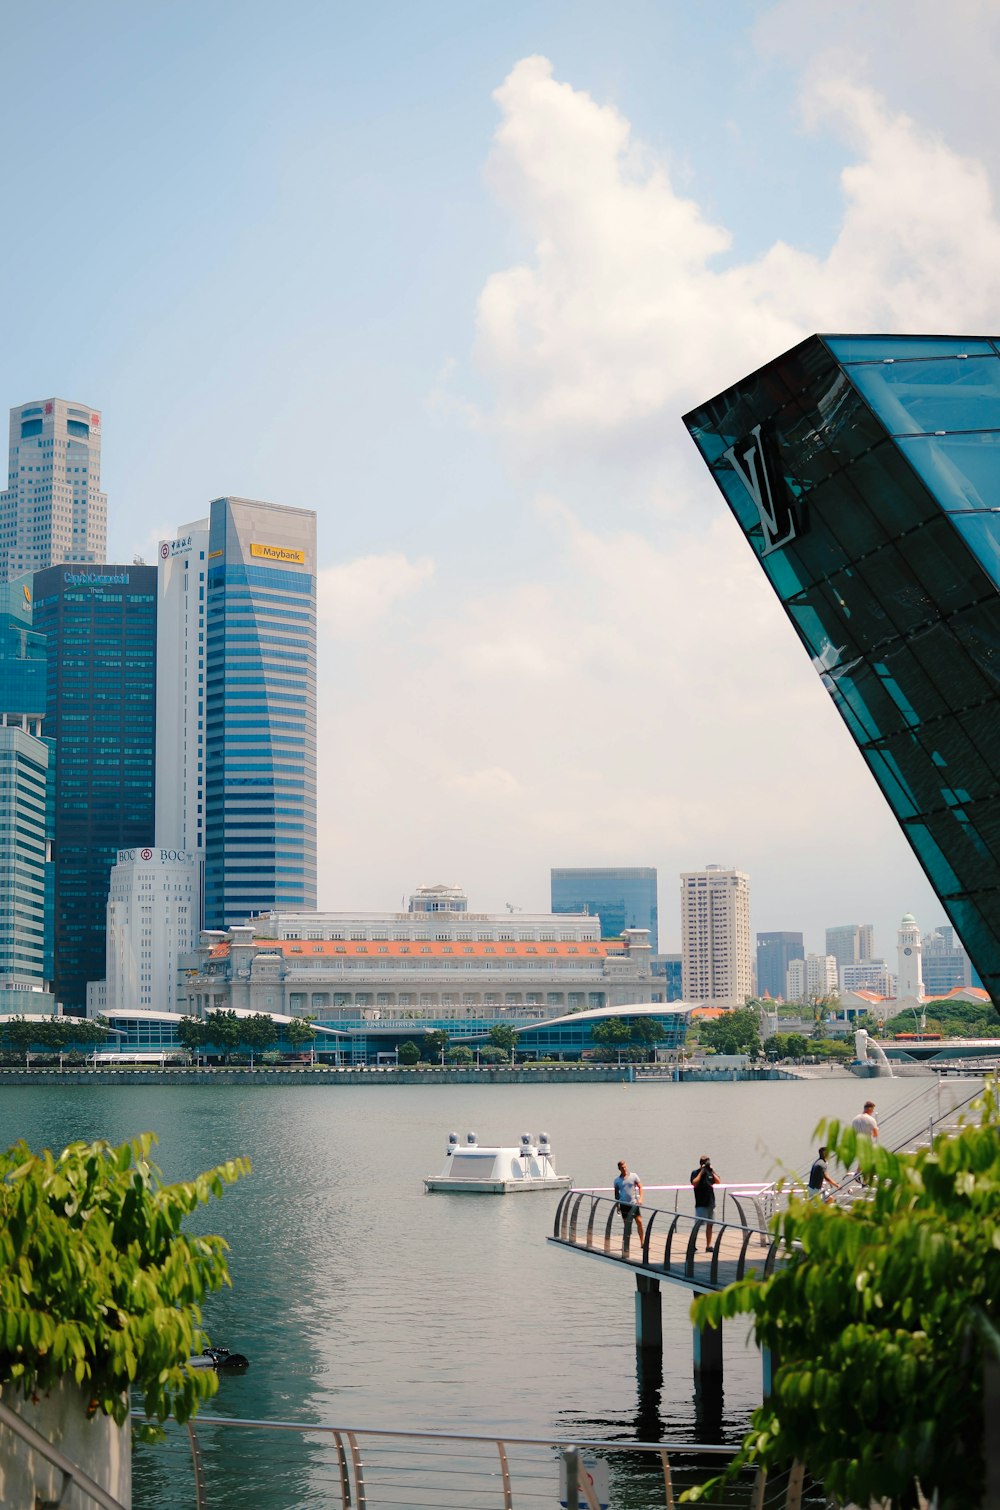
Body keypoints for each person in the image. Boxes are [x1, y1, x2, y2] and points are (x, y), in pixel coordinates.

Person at [690, 1155, 720, 1252]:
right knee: (698, 1225)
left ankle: (708, 1246)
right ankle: (692, 1244)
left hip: (711, 1202)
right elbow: (694, 1183)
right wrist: (701, 1172)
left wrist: (712, 1171)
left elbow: (718, 1181)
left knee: (710, 1224)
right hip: (700, 1203)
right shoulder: (695, 1173)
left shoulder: (710, 1173)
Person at [613, 1160, 644, 1244]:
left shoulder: (634, 1176)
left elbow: (640, 1187)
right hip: (624, 1204)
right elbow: (616, 1194)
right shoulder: (617, 1180)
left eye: (625, 1167)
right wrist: (617, 1206)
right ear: (619, 1169)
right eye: (622, 1167)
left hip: (634, 1203)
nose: (624, 1168)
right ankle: (626, 1243)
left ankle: (642, 1242)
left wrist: (640, 1199)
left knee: (639, 1222)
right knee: (627, 1225)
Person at [851, 1100, 879, 1185]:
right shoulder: (871, 1119)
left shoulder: (855, 1119)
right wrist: (876, 1130)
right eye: (873, 1109)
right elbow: (875, 1134)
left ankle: (859, 1175)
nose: (873, 1112)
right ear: (869, 1109)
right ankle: (864, 1180)